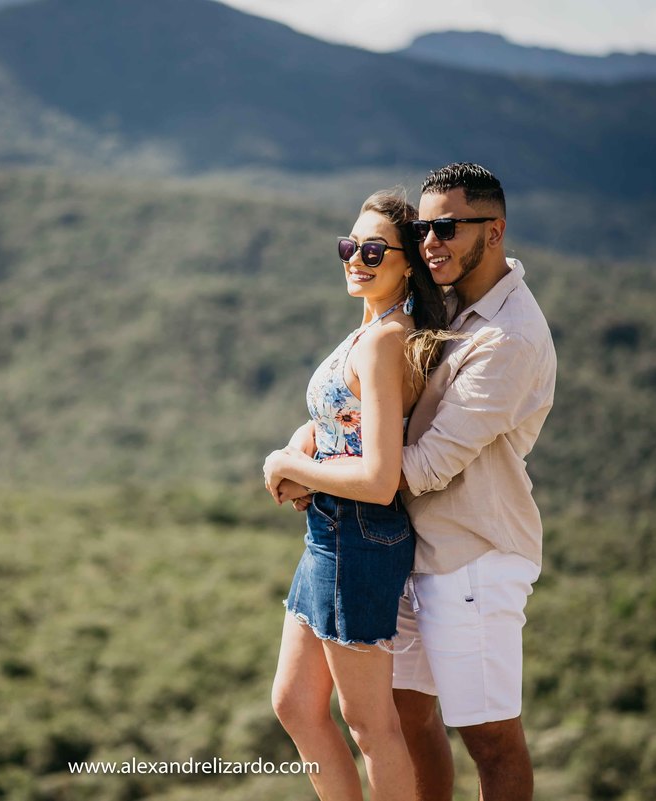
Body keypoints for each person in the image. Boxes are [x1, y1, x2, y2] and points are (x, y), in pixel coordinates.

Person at [262, 189, 454, 801]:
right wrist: (305, 443)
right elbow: (343, 419)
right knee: (294, 704)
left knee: (371, 726)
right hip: (330, 531)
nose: (356, 258)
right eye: (350, 246)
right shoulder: (371, 327)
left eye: (374, 250)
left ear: (408, 264)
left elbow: (376, 477)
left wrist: (289, 463)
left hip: (358, 535)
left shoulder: (382, 341)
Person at [386, 163, 557, 801]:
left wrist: (327, 479)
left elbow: (429, 465)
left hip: (474, 559)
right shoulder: (449, 303)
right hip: (415, 551)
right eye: (424, 228)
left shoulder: (509, 336)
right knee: (404, 713)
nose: (430, 241)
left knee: (490, 739)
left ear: (496, 229)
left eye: (449, 227)